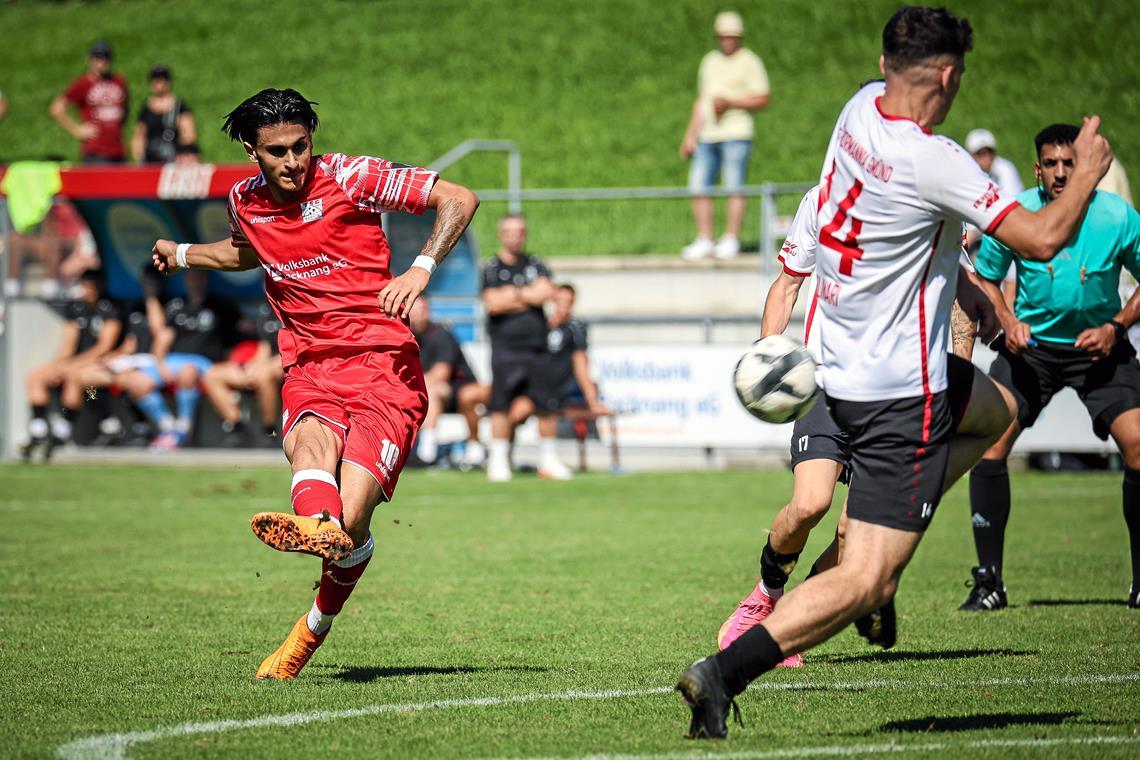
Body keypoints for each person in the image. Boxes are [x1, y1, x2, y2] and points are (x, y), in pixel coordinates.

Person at [676, 6, 1113, 739]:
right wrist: (1087, 176)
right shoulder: (934, 160)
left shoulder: (854, 116)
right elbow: (1039, 239)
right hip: (899, 394)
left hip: (843, 370)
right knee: (864, 576)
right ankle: (723, 672)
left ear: (885, 66)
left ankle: (885, 531)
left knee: (1000, 411)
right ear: (947, 77)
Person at [150, 88, 479, 679]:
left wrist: (420, 268)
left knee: (350, 529)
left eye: (301, 147)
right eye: (277, 151)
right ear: (252, 151)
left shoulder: (352, 177)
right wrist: (181, 253)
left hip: (384, 366)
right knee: (309, 447)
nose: (293, 161)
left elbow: (458, 198)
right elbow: (247, 252)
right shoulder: (244, 200)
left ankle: (311, 626)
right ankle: (316, 523)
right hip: (309, 367)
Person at [717, 177, 994, 668]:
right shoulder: (821, 202)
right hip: (828, 382)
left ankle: (793, 619)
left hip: (898, 396)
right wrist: (768, 355)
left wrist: (954, 384)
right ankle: (762, 597)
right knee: (809, 504)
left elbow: (960, 311)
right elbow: (787, 284)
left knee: (852, 536)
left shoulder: (932, 208)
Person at [962, 123, 1140, 612]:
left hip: (1100, 350)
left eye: (1070, 163)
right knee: (989, 443)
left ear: (1082, 166)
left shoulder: (1116, 216)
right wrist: (1007, 319)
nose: (1061, 173)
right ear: (1037, 168)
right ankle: (988, 584)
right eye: (1052, 164)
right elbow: (986, 278)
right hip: (1032, 352)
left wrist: (1117, 326)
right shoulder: (1016, 213)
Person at [481, 213, 573, 482]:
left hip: (537, 347)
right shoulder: (492, 267)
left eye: (520, 231)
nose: (515, 236)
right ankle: (498, 461)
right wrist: (527, 295)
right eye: (509, 231)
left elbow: (548, 292)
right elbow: (493, 303)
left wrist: (512, 295)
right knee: (500, 404)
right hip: (505, 348)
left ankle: (548, 459)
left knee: (545, 404)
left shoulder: (537, 265)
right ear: (501, 234)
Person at [679, 11, 770, 261]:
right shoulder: (710, 61)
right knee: (698, 185)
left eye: (731, 36)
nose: (727, 41)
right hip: (708, 134)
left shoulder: (749, 61)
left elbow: (763, 97)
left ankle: (731, 238)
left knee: (734, 186)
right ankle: (705, 238)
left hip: (736, 132)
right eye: (723, 36)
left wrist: (731, 102)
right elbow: (702, 100)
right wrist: (690, 134)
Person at [118, 269, 242, 449]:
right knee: (135, 381)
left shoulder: (219, 305)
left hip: (203, 362)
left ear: (205, 279)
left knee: (188, 371)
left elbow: (238, 333)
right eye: (190, 277)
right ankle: (168, 428)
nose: (194, 281)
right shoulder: (177, 306)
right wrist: (160, 364)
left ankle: (185, 429)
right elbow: (163, 337)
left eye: (198, 276)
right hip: (173, 359)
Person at [21, 268, 121, 461]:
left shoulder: (110, 309)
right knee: (36, 375)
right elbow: (68, 342)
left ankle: (63, 431)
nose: (89, 289)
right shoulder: (77, 309)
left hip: (102, 365)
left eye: (93, 284)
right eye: (85, 284)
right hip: (77, 364)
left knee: (81, 381)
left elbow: (104, 347)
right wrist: (59, 364)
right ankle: (38, 431)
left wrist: (74, 365)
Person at [59, 266, 166, 443]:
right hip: (129, 360)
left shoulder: (166, 305)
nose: (147, 286)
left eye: (151, 283)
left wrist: (151, 297)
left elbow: (159, 331)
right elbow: (129, 344)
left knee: (122, 378)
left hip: (153, 361)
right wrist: (115, 354)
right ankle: (105, 420)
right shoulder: (134, 307)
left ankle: (141, 425)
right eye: (145, 283)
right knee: (87, 379)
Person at [408, 297, 489, 465]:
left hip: (456, 390)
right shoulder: (404, 337)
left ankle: (427, 452)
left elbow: (441, 374)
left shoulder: (440, 334)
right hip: (420, 393)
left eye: (422, 310)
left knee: (434, 390)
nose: (418, 315)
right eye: (414, 311)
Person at [202, 301, 285, 447]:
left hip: (290, 363)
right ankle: (237, 428)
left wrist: (264, 366)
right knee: (212, 375)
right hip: (267, 363)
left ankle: (269, 431)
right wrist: (251, 367)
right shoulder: (266, 310)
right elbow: (265, 346)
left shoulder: (294, 304)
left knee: (264, 375)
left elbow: (298, 345)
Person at [964, 128, 1024, 307]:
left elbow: (1011, 207)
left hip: (999, 230)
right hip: (976, 232)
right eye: (979, 153)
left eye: (988, 152)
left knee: (1011, 248)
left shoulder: (1005, 170)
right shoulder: (965, 174)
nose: (985, 158)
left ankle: (1007, 309)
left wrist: (975, 231)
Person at [50, 40, 128, 163]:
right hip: (96, 151)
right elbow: (57, 108)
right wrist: (77, 130)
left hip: (118, 149)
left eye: (105, 58)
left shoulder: (119, 81)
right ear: (89, 60)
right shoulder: (83, 84)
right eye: (97, 58)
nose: (101, 63)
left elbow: (125, 109)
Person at [544, 284, 609, 417]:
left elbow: (581, 364)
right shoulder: (539, 326)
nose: (564, 306)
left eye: (569, 302)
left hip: (564, 390)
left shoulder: (576, 328)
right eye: (561, 301)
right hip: (540, 387)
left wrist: (593, 401)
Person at [131, 65, 200, 165]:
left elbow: (189, 135)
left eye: (162, 79)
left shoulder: (179, 107)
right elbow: (139, 136)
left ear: (168, 81)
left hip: (172, 160)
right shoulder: (146, 108)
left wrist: (180, 156)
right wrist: (140, 159)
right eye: (156, 79)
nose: (159, 83)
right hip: (150, 161)